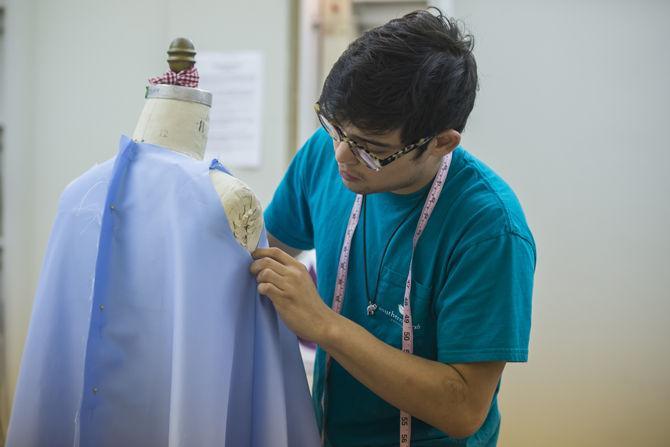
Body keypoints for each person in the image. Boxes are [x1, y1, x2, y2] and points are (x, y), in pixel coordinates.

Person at [250, 8, 535, 447]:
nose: (344, 156)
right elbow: (262, 250)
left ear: (442, 142)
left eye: (371, 149)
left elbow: (462, 409)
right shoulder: (324, 156)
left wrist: (325, 324)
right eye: (336, 128)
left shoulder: (489, 228)